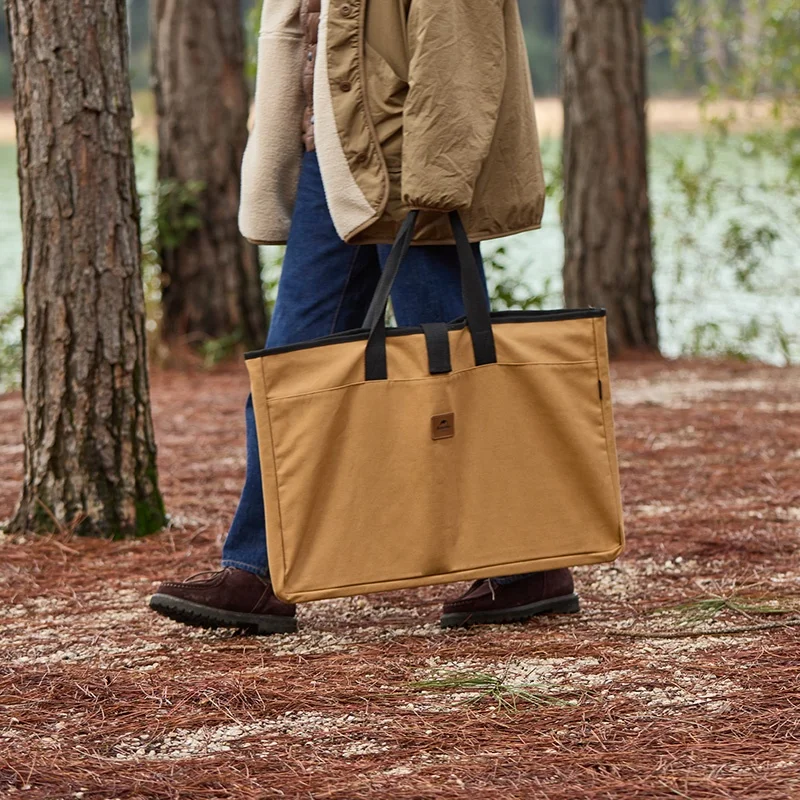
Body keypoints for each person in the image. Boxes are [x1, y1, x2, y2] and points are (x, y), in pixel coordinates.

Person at [149, 0, 579, 635]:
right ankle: (260, 570)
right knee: (291, 369)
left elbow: (459, 45)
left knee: (458, 370)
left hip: (408, 166)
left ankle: (526, 564)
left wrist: (433, 179)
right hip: (335, 158)